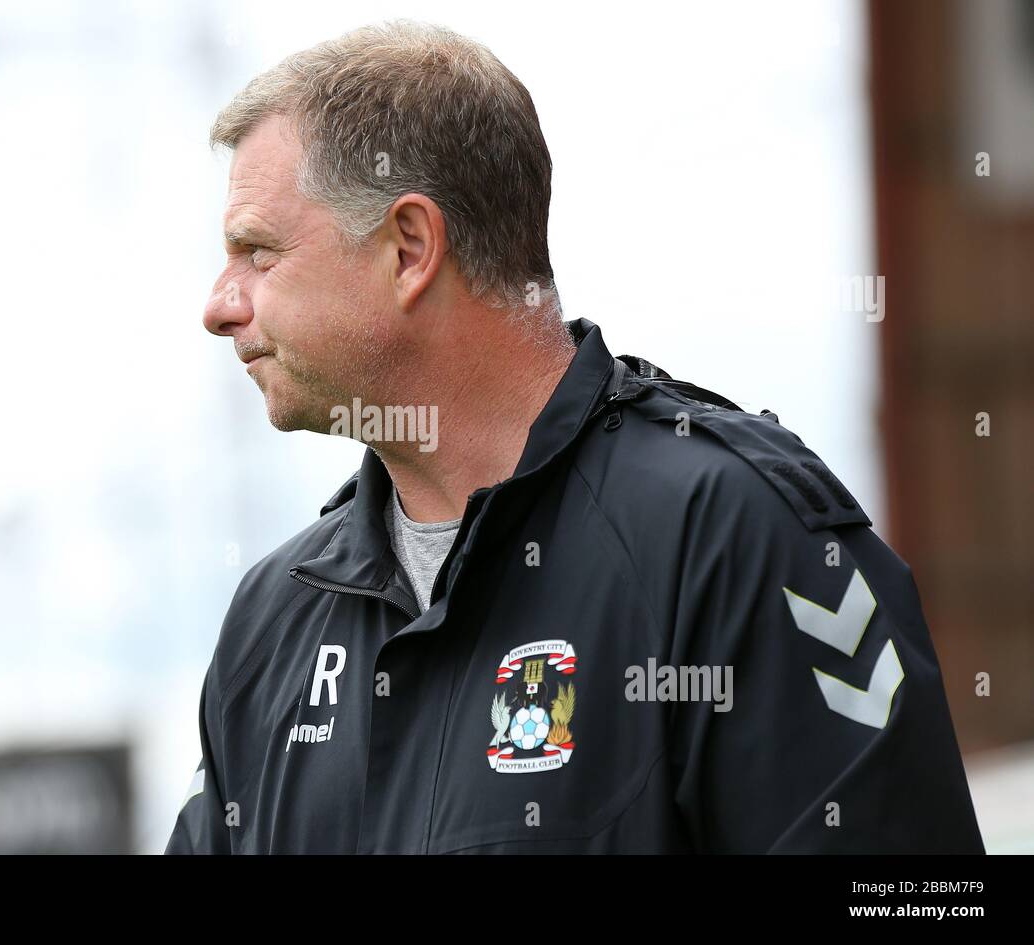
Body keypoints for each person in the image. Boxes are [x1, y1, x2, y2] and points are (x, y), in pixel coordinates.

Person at [166, 20, 984, 854]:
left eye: (258, 253)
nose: (220, 305)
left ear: (409, 248)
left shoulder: (732, 533)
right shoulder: (274, 623)